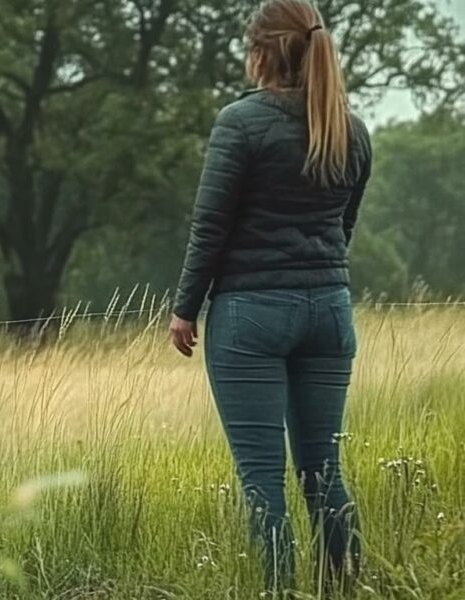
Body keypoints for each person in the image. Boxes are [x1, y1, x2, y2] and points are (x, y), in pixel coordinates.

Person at [167, 0, 371, 594]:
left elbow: (211, 226)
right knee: (323, 471)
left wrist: (185, 308)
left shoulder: (241, 122)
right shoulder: (350, 128)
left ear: (262, 52)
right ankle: (347, 588)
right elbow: (344, 228)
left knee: (263, 480)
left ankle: (278, 592)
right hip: (329, 309)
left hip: (251, 316)